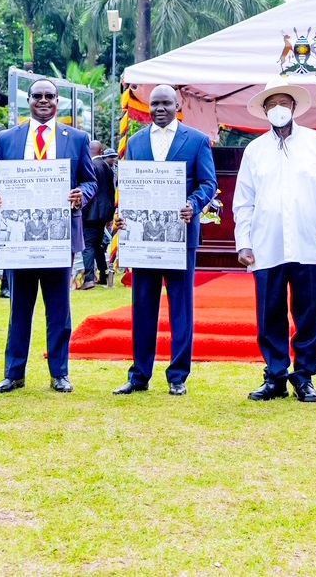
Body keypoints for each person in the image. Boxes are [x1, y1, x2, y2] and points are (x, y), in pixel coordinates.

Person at [235, 78, 316, 403]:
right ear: (265, 110)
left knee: (309, 313)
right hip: (266, 244)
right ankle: (275, 376)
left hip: (310, 242)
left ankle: (304, 377)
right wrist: (244, 240)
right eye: (272, 104)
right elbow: (244, 201)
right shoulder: (254, 151)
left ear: (294, 107)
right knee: (270, 313)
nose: (279, 109)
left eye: (284, 103)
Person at [0, 79, 97, 394]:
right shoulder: (9, 138)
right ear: (28, 100)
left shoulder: (77, 138)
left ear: (58, 101)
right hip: (21, 237)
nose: (43, 100)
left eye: (49, 96)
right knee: (19, 309)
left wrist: (82, 194)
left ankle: (60, 373)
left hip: (60, 237)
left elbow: (90, 181)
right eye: (37, 96)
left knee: (59, 309)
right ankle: (14, 373)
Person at [113, 84, 218, 397]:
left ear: (178, 104)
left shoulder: (197, 140)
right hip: (143, 238)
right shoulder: (136, 141)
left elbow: (208, 183)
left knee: (181, 308)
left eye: (166, 103)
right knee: (143, 307)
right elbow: (130, 186)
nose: (160, 109)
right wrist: (124, 218)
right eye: (155, 103)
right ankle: (139, 376)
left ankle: (177, 375)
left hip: (180, 237)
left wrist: (193, 205)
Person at [80, 140, 116, 290]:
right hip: (104, 213)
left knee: (87, 245)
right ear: (101, 151)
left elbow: (89, 191)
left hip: (91, 213)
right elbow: (111, 191)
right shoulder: (107, 167)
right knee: (97, 245)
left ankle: (89, 279)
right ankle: (103, 275)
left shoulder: (91, 166)